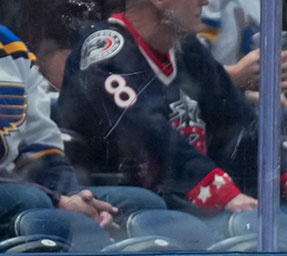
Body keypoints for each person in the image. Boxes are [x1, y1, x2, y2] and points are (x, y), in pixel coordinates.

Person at [57, 0, 287, 217]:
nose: (206, 1)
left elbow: (240, 122)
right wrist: (225, 194)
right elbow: (149, 136)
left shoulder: (188, 50)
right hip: (126, 210)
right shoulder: (104, 51)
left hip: (185, 202)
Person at [0, 23, 164, 235]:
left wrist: (75, 195)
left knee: (143, 204)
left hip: (24, 190)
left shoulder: (12, 47)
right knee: (33, 201)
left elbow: (40, 144)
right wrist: (56, 200)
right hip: (22, 194)